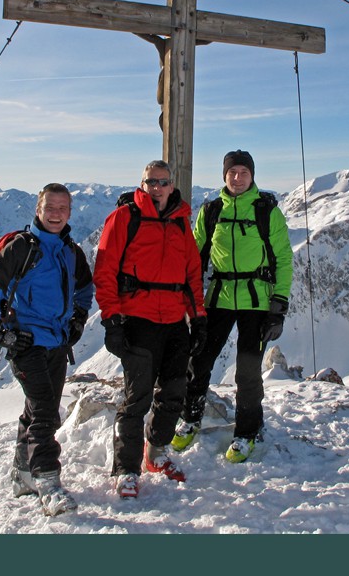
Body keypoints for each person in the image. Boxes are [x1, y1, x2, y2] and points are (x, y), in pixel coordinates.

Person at [0, 182, 94, 516]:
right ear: (37, 210)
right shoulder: (21, 248)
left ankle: (22, 474)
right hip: (26, 342)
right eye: (49, 208)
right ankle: (48, 482)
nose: (56, 215)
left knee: (37, 408)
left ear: (70, 212)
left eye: (62, 209)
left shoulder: (71, 251)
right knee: (45, 412)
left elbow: (85, 288)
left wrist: (78, 320)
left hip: (57, 342)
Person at [93, 160, 207, 499]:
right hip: (138, 320)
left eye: (162, 182)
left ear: (172, 185)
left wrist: (197, 317)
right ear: (142, 184)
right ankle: (126, 469)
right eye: (150, 182)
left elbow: (192, 274)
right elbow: (105, 270)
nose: (156, 187)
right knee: (137, 397)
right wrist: (111, 318)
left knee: (174, 392)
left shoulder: (180, 222)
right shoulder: (124, 218)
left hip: (174, 321)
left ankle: (156, 452)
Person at [171, 150, 293, 463]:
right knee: (199, 359)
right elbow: (194, 252)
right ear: (224, 176)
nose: (237, 178)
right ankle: (191, 416)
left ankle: (247, 431)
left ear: (252, 176)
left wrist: (278, 305)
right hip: (220, 295)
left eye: (243, 172)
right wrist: (186, 293)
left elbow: (283, 258)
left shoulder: (267, 211)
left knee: (249, 371)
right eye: (232, 172)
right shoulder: (211, 210)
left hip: (257, 299)